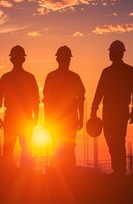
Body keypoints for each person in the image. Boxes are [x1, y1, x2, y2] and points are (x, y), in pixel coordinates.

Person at [91, 40, 133, 176]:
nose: (110, 55)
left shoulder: (127, 71)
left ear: (116, 54)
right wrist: (94, 108)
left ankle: (120, 170)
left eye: (111, 52)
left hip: (116, 110)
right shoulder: (109, 72)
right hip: (113, 110)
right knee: (112, 139)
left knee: (117, 139)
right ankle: (118, 168)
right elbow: (99, 91)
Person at [0, 45, 39, 167]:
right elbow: (36, 99)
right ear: (23, 59)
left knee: (10, 149)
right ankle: (25, 175)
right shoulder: (29, 78)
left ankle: (10, 175)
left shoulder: (7, 77)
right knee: (25, 148)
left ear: (11, 60)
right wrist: (36, 116)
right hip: (24, 118)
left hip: (15, 118)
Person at [43, 46, 85, 174]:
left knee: (60, 146)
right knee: (67, 147)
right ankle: (66, 174)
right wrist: (80, 117)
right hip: (66, 119)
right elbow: (80, 99)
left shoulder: (51, 77)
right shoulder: (74, 77)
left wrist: (47, 119)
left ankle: (61, 174)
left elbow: (46, 100)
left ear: (57, 59)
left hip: (59, 119)